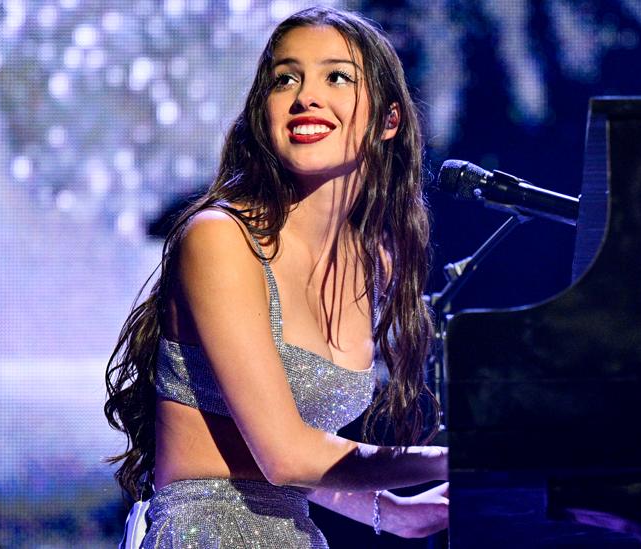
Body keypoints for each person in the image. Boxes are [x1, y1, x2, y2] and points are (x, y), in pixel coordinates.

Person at [104, 6, 449, 548]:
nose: (304, 96)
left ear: (389, 119)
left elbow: (273, 458)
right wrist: (449, 460)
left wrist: (395, 513)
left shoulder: (373, 264)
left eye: (336, 76)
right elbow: (285, 454)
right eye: (285, 78)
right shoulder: (221, 238)